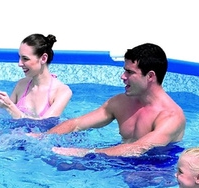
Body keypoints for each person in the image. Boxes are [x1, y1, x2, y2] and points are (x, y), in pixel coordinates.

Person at [47, 43, 185, 157]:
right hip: (120, 160)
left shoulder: (171, 116)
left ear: (150, 76)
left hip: (155, 170)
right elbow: (77, 124)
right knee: (59, 163)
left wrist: (83, 153)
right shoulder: (121, 102)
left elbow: (138, 149)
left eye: (129, 72)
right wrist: (43, 138)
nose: (122, 76)